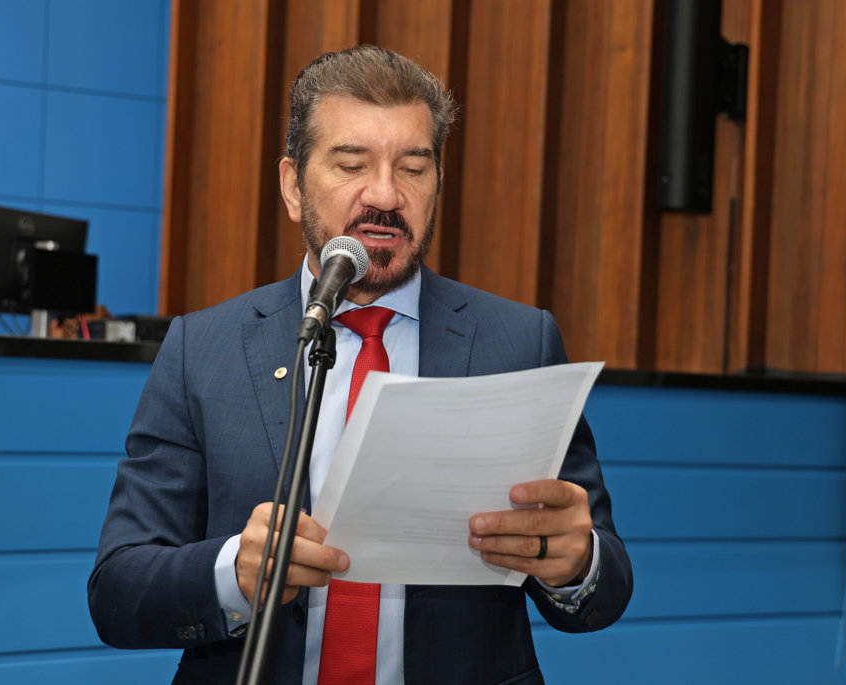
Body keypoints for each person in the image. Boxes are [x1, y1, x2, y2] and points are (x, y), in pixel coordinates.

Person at [89, 45, 632, 684]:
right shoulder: (201, 349)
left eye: (413, 168)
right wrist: (234, 573)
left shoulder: (518, 343)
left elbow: (604, 585)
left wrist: (575, 563)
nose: (386, 194)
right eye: (352, 165)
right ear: (293, 186)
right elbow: (118, 590)